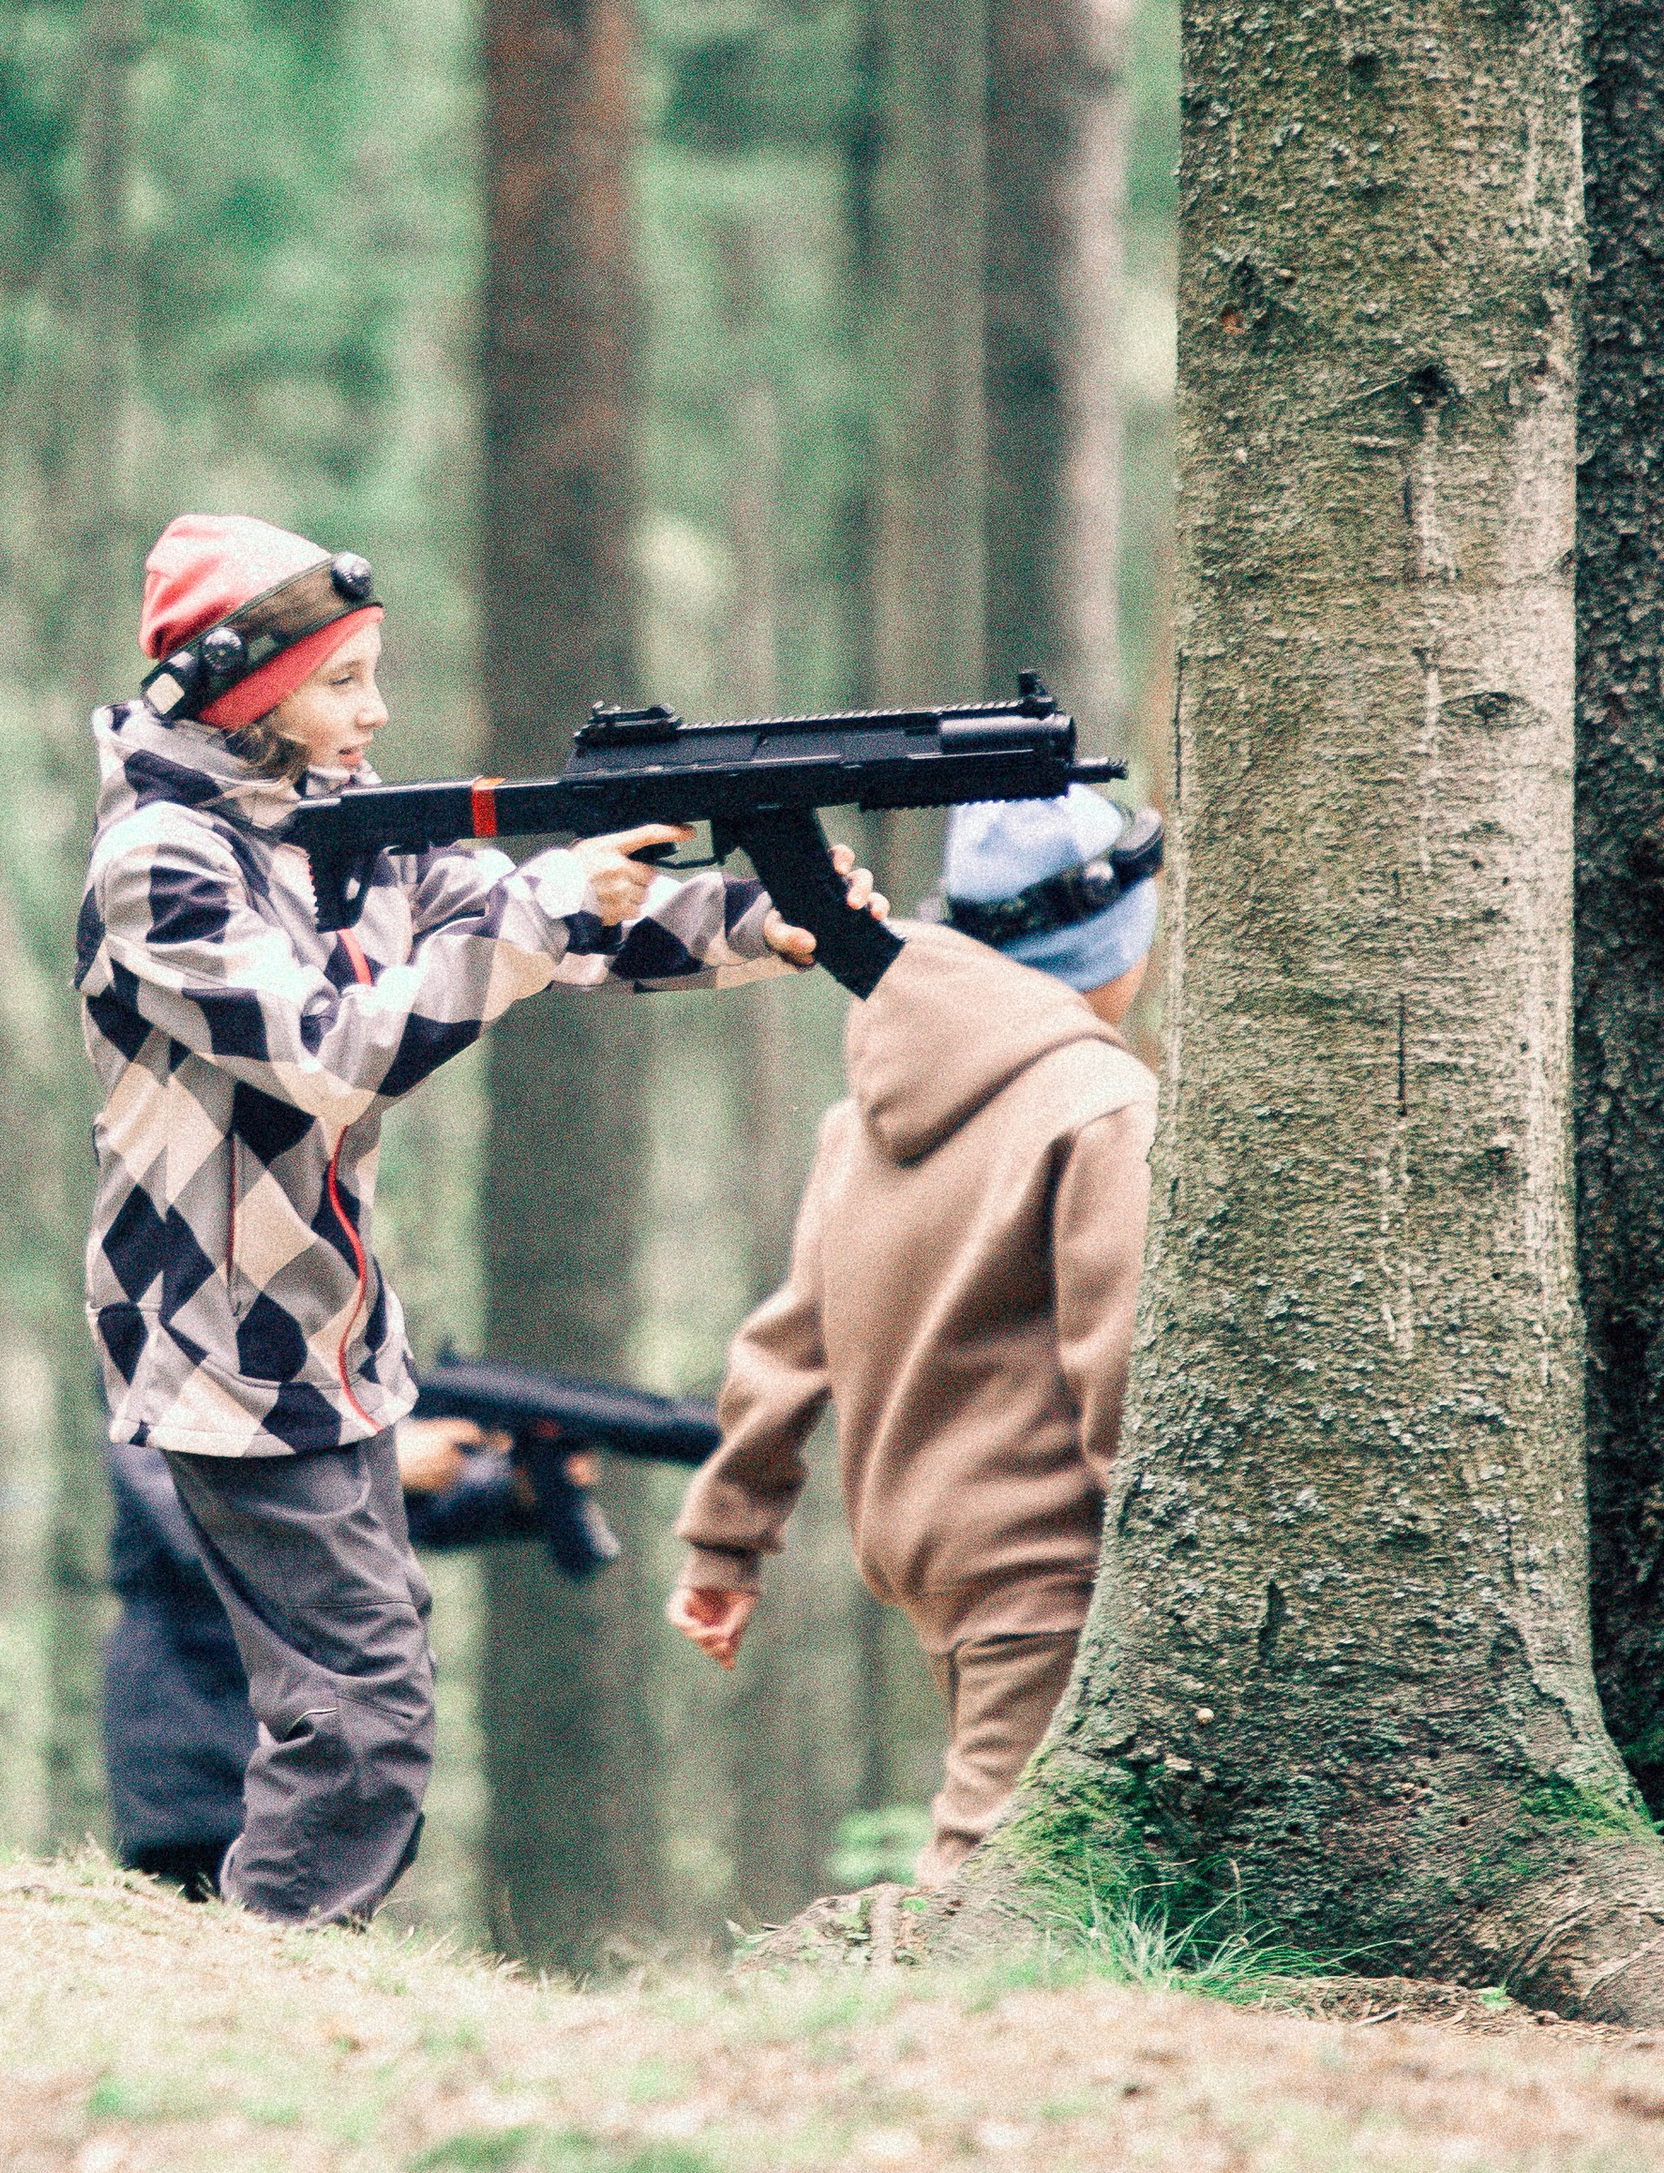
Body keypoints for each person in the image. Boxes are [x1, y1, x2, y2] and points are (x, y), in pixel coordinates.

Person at [75, 509, 876, 1926]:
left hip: (329, 1343)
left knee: (361, 1686)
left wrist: (764, 923)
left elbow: (541, 921)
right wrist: (549, 911)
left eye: (374, 672)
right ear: (242, 685)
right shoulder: (162, 861)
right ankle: (275, 1977)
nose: (375, 710)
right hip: (223, 1346)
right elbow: (337, 1046)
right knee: (365, 1706)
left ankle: (267, 1969)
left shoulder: (337, 829)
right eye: (342, 681)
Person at [667, 784, 1164, 1898]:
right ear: (1115, 941)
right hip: (1052, 1561)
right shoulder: (1103, 1103)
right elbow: (1123, 1359)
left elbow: (785, 1349)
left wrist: (721, 1547)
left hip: (935, 1558)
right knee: (994, 1873)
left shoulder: (864, 1113)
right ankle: (889, 2048)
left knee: (1028, 1854)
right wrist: (1182, 1557)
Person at [102, 1411, 551, 1898]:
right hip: (191, 1702)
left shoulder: (309, 1385)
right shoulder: (166, 1376)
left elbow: (382, 1533)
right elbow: (199, 1523)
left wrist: (514, 1486)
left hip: (303, 1700)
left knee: (303, 1903)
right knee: (218, 1908)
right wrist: (384, 1466)